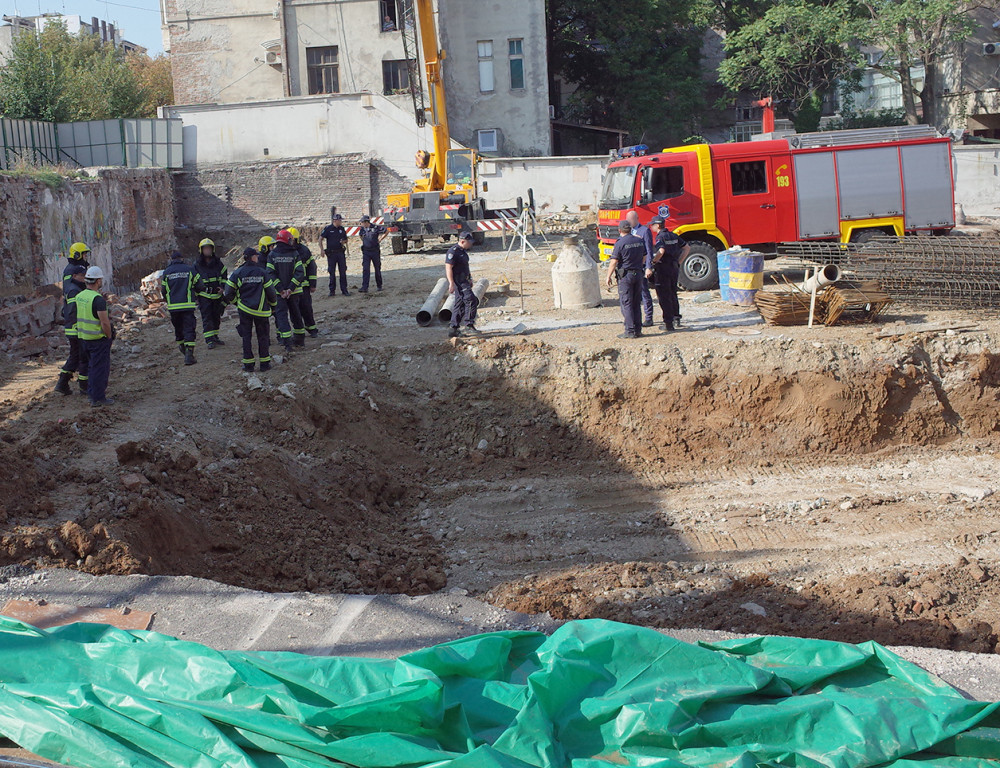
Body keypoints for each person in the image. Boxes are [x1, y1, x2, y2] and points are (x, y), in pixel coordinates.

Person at [224, 247, 278, 372]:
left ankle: (248, 365)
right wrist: (273, 306)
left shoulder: (238, 272)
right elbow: (271, 292)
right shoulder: (262, 272)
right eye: (256, 256)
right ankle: (264, 364)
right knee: (263, 337)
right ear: (253, 257)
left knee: (246, 337)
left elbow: (228, 292)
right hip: (261, 310)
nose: (258, 258)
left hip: (245, 310)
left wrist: (236, 303)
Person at [56, 241, 92, 396]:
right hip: (75, 325)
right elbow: (73, 305)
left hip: (74, 323)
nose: (86, 257)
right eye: (84, 254)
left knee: (78, 355)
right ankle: (72, 385)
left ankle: (65, 384)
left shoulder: (71, 271)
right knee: (79, 355)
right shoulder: (73, 281)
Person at [75, 266, 114, 407]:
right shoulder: (98, 300)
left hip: (84, 338)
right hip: (98, 339)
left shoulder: (80, 297)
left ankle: (92, 394)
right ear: (98, 281)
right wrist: (109, 336)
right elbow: (104, 322)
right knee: (100, 369)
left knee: (92, 368)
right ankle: (98, 397)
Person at [606, 220, 648, 339]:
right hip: (638, 273)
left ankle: (629, 331)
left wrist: (608, 276)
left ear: (619, 230)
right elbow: (645, 255)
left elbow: (614, 261)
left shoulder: (620, 243)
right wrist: (639, 265)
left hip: (626, 276)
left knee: (627, 303)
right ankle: (638, 329)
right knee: (636, 303)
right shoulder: (639, 240)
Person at [646, 217, 690, 331]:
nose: (652, 227)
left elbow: (661, 251)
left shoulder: (661, 237)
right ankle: (676, 318)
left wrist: (653, 262)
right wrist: (679, 262)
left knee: (664, 296)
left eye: (653, 225)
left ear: (658, 226)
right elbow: (687, 248)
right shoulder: (673, 235)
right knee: (672, 293)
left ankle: (668, 323)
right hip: (674, 268)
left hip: (663, 268)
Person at [267, 229, 306, 351]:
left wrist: (281, 290)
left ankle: (287, 343)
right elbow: (300, 272)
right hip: (293, 293)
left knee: (282, 317)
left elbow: (270, 273)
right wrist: (290, 288)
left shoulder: (272, 255)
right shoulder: (294, 254)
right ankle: (300, 340)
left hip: (279, 294)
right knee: (296, 315)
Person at [162, 251, 201, 366]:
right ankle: (189, 355)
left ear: (172, 259)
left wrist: (169, 300)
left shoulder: (166, 272)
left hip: (173, 307)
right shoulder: (190, 269)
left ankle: (182, 347)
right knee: (189, 328)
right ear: (182, 258)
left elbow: (163, 291)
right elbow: (200, 285)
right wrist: (196, 295)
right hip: (187, 306)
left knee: (178, 329)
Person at [445, 231, 480, 338]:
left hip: (464, 280)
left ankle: (453, 328)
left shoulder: (463, 251)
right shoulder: (453, 251)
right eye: (469, 242)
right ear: (463, 241)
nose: (471, 244)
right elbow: (448, 267)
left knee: (459, 304)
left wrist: (469, 278)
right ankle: (468, 326)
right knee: (471, 300)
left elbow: (465, 266)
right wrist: (451, 283)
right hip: (458, 281)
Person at [193, 238, 227, 349]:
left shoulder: (218, 263)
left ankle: (215, 336)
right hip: (204, 296)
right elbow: (194, 281)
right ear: (201, 250)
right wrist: (196, 296)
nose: (207, 250)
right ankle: (209, 340)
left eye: (209, 248)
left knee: (216, 317)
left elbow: (224, 276)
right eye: (205, 249)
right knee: (207, 318)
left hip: (217, 295)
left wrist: (223, 287)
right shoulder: (197, 265)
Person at [625, 210, 655, 328]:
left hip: (641, 267)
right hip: (631, 268)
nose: (628, 222)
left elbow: (649, 250)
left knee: (644, 292)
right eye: (627, 220)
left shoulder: (644, 231)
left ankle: (649, 317)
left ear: (637, 218)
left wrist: (648, 267)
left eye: (630, 219)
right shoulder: (628, 232)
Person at [288, 227, 319, 337]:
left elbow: (312, 267)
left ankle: (312, 328)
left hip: (304, 286)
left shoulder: (304, 250)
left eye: (293, 240)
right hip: (290, 287)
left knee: (306, 308)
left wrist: (312, 284)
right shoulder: (283, 252)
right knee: (294, 311)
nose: (291, 242)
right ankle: (298, 332)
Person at [320, 213, 350, 296]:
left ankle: (344, 290)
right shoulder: (328, 228)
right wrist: (322, 250)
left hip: (340, 253)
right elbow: (320, 238)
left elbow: (346, 240)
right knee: (332, 272)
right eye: (339, 220)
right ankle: (332, 291)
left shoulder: (341, 229)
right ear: (335, 220)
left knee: (343, 272)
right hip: (331, 254)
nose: (340, 222)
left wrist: (343, 241)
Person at [357, 215, 387, 293]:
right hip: (366, 252)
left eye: (362, 222)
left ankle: (379, 285)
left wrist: (380, 239)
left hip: (375, 251)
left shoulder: (375, 228)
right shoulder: (362, 229)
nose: (361, 224)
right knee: (366, 269)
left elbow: (386, 231)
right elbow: (360, 235)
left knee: (377, 269)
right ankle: (364, 287)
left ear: (366, 222)